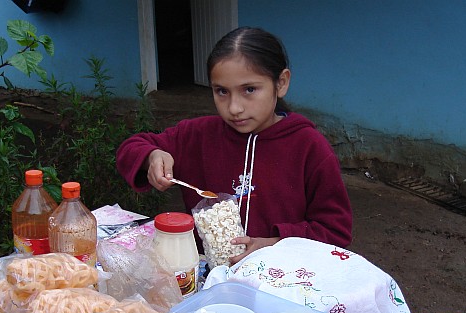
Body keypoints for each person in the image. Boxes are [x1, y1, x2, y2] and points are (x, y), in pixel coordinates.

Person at [116, 26, 352, 264]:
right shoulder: (197, 136)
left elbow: (335, 230)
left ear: (281, 83)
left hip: (282, 282)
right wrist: (152, 156)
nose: (234, 108)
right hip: (207, 282)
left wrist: (273, 243)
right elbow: (132, 146)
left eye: (249, 89)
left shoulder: (308, 147)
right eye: (221, 92)